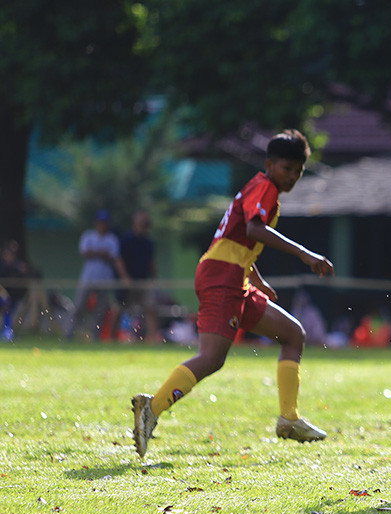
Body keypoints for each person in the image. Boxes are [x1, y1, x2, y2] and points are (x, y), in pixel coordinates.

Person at [130, 130, 334, 458]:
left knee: (293, 334)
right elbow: (254, 229)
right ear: (269, 164)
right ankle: (151, 407)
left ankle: (289, 419)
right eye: (287, 168)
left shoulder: (261, 188)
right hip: (222, 278)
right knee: (212, 358)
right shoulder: (264, 187)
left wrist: (258, 279)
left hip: (234, 277)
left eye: (299, 171)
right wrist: (305, 254)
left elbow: (239, 239)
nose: (293, 176)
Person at [65, 209, 131, 340]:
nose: (102, 225)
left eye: (105, 223)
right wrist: (102, 254)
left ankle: (96, 337)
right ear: (96, 223)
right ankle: (69, 334)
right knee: (79, 307)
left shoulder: (112, 239)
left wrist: (98, 253)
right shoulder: (88, 236)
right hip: (88, 279)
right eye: (100, 222)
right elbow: (85, 253)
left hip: (105, 280)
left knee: (100, 311)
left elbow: (113, 257)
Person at [118, 210, 162, 341]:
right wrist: (125, 278)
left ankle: (153, 337)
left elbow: (151, 262)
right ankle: (113, 337)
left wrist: (154, 278)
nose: (143, 226)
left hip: (144, 281)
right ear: (135, 224)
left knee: (150, 308)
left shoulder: (148, 242)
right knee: (120, 308)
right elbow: (119, 260)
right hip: (128, 281)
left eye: (146, 224)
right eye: (141, 223)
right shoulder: (126, 239)